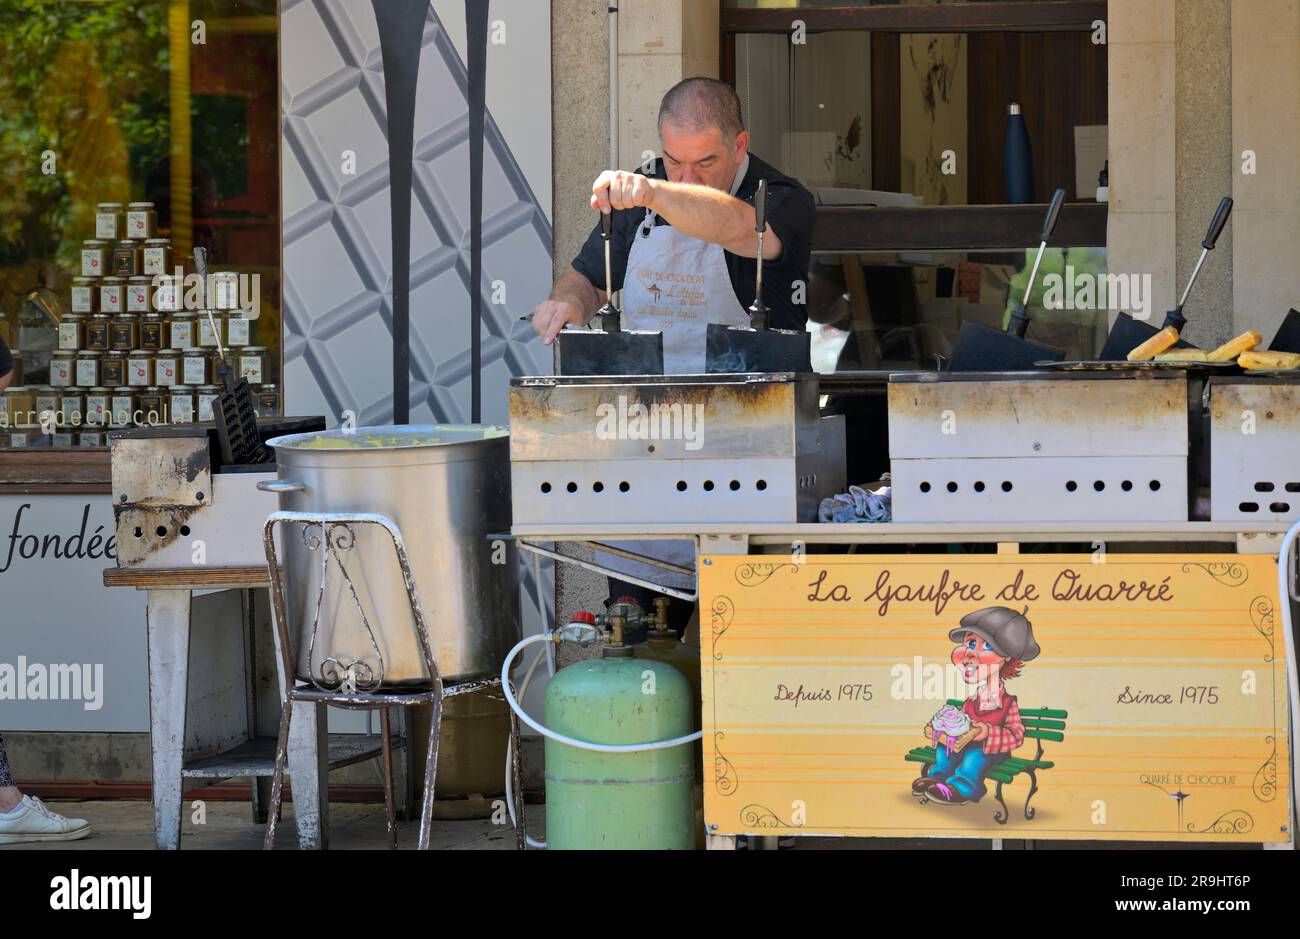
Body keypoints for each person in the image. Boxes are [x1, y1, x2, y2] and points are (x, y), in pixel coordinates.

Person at [529, 77, 815, 634]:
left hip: (750, 455)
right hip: (648, 453)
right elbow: (588, 277)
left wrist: (653, 191)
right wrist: (566, 305)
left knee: (741, 645)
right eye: (672, 160)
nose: (685, 177)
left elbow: (734, 226)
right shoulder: (644, 197)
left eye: (705, 162)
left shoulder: (780, 198)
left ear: (739, 145)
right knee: (639, 640)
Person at [913, 606, 1040, 806]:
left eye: (987, 646)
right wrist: (943, 727)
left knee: (975, 756)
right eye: (971, 643)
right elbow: (959, 723)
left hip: (992, 752)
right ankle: (938, 778)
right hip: (965, 745)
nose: (971, 654)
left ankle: (963, 788)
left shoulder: (1007, 703)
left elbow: (1016, 735)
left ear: (1006, 656)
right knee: (945, 747)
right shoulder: (971, 701)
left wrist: (987, 732)